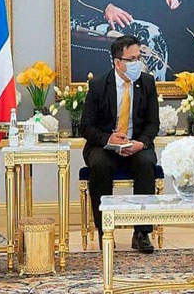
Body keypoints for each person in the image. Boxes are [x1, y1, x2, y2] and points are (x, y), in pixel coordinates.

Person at [80, 35, 160, 253]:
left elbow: (153, 123)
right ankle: (104, 230)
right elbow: (85, 127)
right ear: (117, 62)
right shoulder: (98, 85)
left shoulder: (147, 83)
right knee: (99, 165)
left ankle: (141, 233)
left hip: (136, 145)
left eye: (138, 58)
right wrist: (109, 139)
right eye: (131, 59)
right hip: (104, 146)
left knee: (147, 163)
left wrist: (140, 143)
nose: (137, 63)